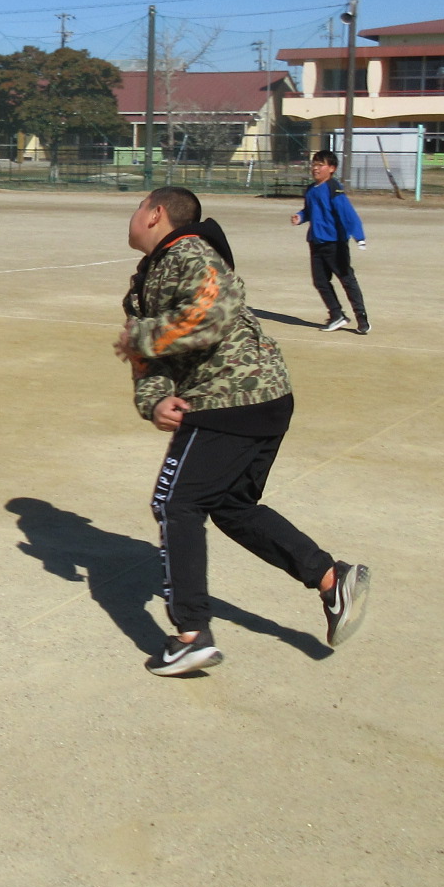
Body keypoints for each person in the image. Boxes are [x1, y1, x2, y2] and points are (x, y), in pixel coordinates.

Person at [116, 185, 370, 676]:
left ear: (155, 214)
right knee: (231, 507)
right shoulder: (146, 278)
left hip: (231, 396)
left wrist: (141, 335)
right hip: (255, 399)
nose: (131, 215)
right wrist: (153, 400)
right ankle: (331, 579)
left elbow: (213, 313)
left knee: (176, 504)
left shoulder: (190, 252)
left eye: (137, 206)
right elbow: (149, 357)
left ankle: (191, 634)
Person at [290, 148, 368, 333]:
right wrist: (301, 217)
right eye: (314, 164)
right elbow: (310, 211)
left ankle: (362, 318)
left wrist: (359, 237)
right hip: (316, 242)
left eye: (320, 165)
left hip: (335, 243)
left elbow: (348, 214)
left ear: (332, 168)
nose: (315, 168)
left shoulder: (334, 189)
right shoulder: (311, 189)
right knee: (320, 281)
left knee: (346, 279)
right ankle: (337, 315)